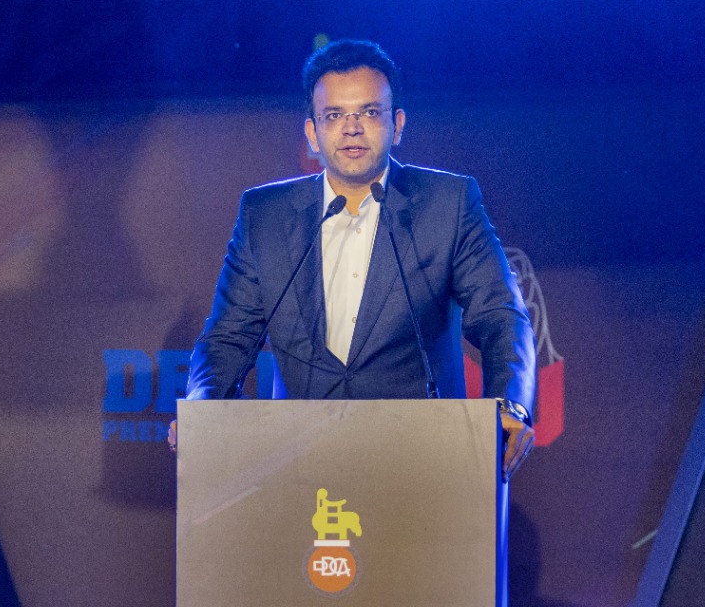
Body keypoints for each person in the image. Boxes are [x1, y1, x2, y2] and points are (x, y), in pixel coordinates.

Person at [175, 39, 536, 477]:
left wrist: (510, 403)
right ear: (312, 133)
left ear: (397, 124)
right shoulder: (264, 216)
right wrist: (202, 409)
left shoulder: (448, 204)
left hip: (422, 465)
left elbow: (500, 315)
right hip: (296, 467)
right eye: (334, 115)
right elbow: (228, 337)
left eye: (368, 112)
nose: (351, 128)